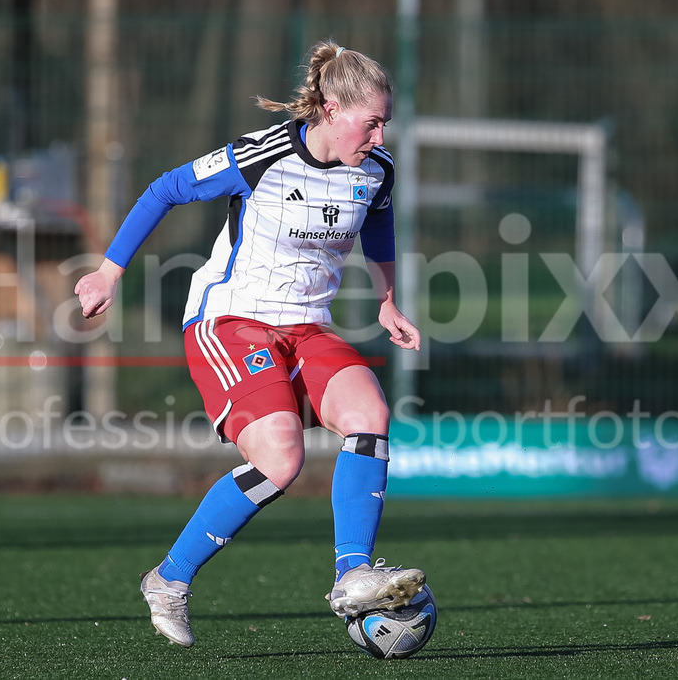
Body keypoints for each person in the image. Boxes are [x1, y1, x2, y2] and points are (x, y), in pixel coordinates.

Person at [75, 40, 424, 648]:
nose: (379, 133)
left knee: (370, 415)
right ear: (332, 108)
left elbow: (381, 220)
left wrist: (387, 298)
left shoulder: (377, 170)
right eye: (372, 121)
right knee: (281, 461)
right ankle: (169, 579)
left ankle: (353, 577)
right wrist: (109, 272)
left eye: (385, 122)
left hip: (307, 327)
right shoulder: (263, 155)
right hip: (230, 322)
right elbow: (165, 190)